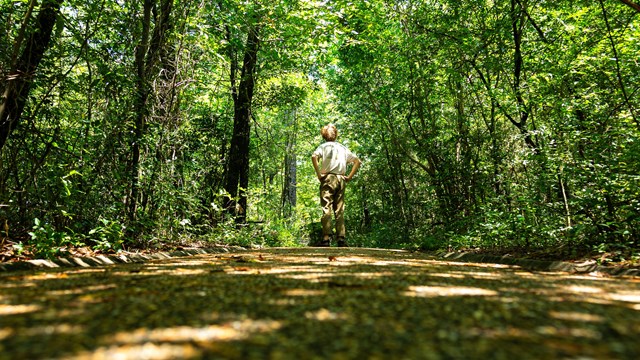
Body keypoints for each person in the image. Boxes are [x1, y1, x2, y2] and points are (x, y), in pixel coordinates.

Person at [311, 123, 361, 247]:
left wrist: (319, 174)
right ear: (335, 135)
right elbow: (357, 161)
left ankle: (326, 238)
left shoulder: (323, 146)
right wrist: (349, 177)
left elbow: (313, 156)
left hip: (328, 178)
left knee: (326, 206)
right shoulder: (342, 148)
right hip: (341, 179)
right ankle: (341, 239)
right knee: (339, 209)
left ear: (324, 135)